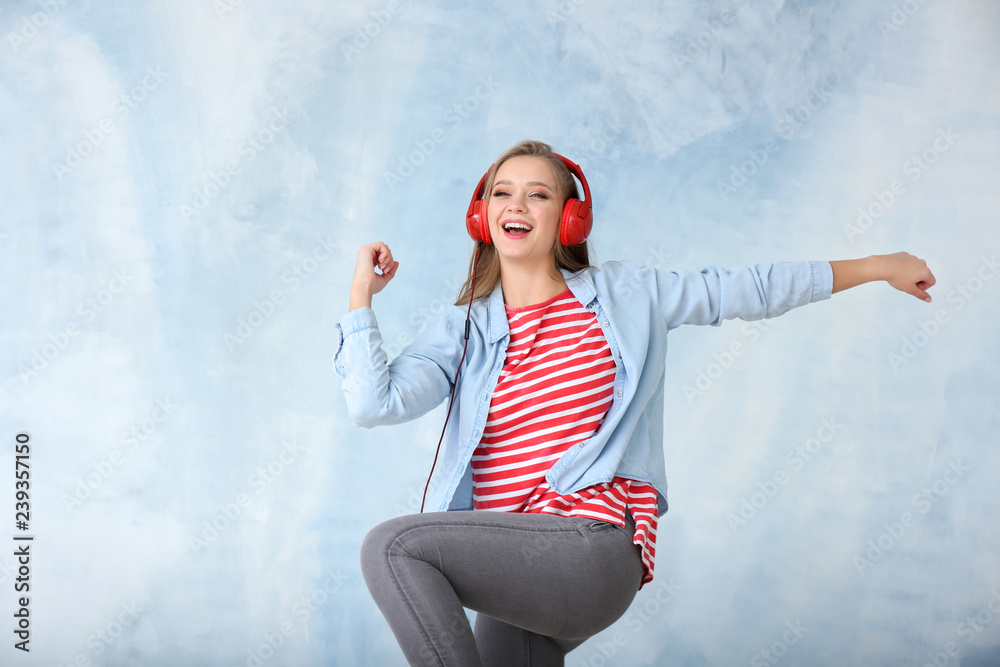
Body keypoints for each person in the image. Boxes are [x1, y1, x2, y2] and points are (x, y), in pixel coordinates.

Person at [334, 140, 935, 666]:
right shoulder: (458, 331)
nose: (516, 205)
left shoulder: (628, 297)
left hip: (589, 549)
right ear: (481, 215)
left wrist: (878, 266)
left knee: (393, 547)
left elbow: (748, 289)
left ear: (569, 219)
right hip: (518, 558)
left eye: (538, 194)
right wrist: (362, 295)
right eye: (501, 192)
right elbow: (372, 403)